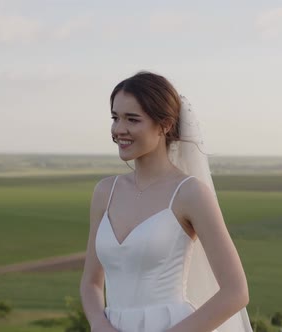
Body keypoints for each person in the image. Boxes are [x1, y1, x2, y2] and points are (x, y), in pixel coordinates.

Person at [80, 71, 252, 331]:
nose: (119, 129)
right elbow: (91, 282)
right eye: (115, 117)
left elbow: (236, 292)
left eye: (132, 119)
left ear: (165, 125)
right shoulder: (105, 191)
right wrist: (98, 322)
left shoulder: (190, 194)